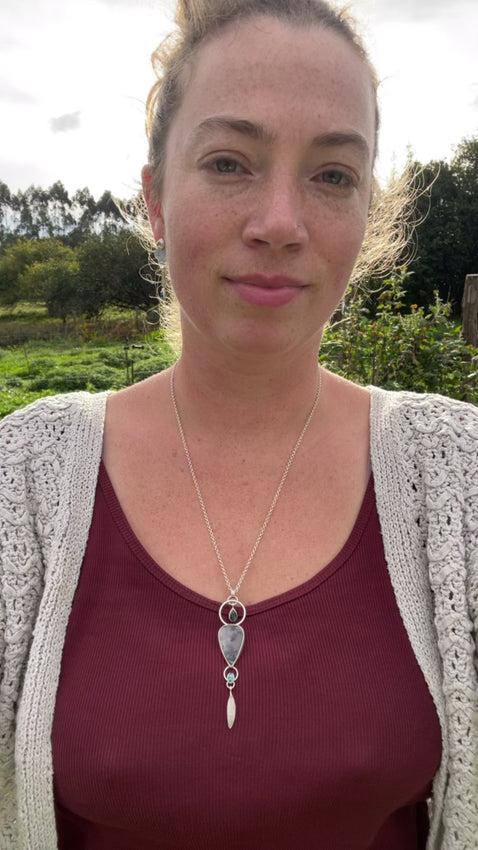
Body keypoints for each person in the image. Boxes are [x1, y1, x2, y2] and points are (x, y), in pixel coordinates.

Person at [0, 0, 477, 847]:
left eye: (333, 175)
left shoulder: (460, 478)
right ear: (155, 199)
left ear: (368, 212)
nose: (280, 223)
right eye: (229, 163)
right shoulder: (22, 479)